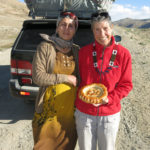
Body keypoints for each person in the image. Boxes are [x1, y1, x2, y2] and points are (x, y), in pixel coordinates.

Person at [75, 10, 133, 150]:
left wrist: (110, 98)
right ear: (92, 31)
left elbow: (126, 85)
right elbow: (77, 79)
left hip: (109, 114)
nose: (102, 34)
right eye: (97, 29)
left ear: (111, 28)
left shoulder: (123, 54)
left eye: (105, 28)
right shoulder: (83, 52)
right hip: (85, 113)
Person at [32, 11, 80, 150]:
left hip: (70, 112)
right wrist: (66, 78)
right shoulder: (45, 47)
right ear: (57, 27)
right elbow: (38, 77)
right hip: (48, 109)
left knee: (67, 145)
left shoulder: (76, 50)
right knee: (44, 145)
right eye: (63, 24)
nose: (66, 29)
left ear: (75, 30)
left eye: (71, 26)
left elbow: (82, 78)